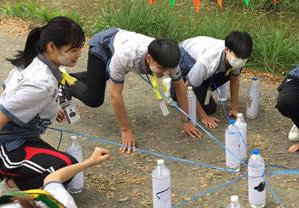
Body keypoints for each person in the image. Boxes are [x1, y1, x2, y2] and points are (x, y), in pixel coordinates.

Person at [0, 17, 86, 193]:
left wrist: (51, 108)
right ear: (51, 46)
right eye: (73, 50)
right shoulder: (41, 84)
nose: (79, 54)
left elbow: (10, 93)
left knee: (66, 165)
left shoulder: (33, 60)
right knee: (63, 170)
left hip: (17, 138)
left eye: (80, 48)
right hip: (6, 143)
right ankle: (7, 184)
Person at [66, 28, 202, 153]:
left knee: (100, 77)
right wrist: (126, 129)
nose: (167, 73)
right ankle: (64, 79)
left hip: (122, 40)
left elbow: (180, 85)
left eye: (169, 69)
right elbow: (115, 94)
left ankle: (81, 77)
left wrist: (186, 120)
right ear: (149, 58)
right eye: (162, 68)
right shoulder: (126, 56)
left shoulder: (169, 59)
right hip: (103, 46)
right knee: (94, 98)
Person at [175, 32, 253, 128]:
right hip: (185, 56)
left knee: (207, 103)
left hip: (203, 58)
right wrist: (204, 117)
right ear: (227, 50)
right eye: (238, 57)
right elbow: (188, 88)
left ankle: (201, 83)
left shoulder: (237, 57)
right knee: (208, 109)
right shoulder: (207, 62)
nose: (241, 61)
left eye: (244, 58)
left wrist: (234, 108)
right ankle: (174, 88)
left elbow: (235, 78)